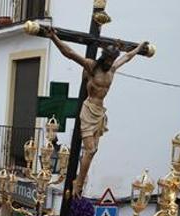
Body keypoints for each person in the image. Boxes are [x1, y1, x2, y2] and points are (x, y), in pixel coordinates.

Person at [46, 28, 148, 195]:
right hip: (88, 110)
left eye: (112, 60)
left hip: (100, 112)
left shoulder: (112, 70)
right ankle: (78, 184)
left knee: (93, 151)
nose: (110, 63)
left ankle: (79, 180)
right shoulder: (92, 66)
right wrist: (54, 38)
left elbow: (127, 57)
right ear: (103, 57)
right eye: (108, 59)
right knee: (90, 149)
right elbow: (70, 53)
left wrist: (139, 47)